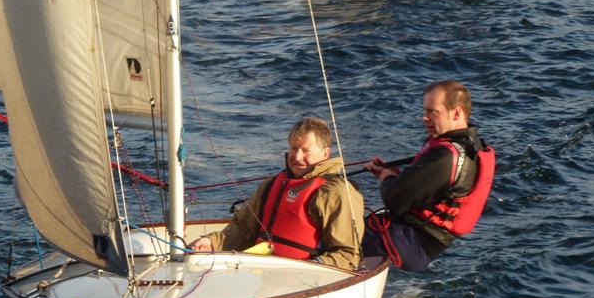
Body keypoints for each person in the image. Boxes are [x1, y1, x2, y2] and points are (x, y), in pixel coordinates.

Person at [189, 117, 364, 270]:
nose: (297, 157)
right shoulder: (272, 184)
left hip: (305, 279)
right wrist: (212, 242)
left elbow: (347, 255)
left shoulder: (335, 192)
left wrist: (314, 268)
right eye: (294, 149)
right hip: (259, 272)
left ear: (325, 153)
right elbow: (243, 230)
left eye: (306, 151)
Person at [362, 80, 495, 272]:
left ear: (456, 113)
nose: (425, 118)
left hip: (409, 241)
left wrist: (386, 178)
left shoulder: (446, 157)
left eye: (433, 111)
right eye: (425, 111)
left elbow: (394, 200)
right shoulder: (471, 146)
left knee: (334, 230)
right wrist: (390, 175)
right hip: (421, 242)